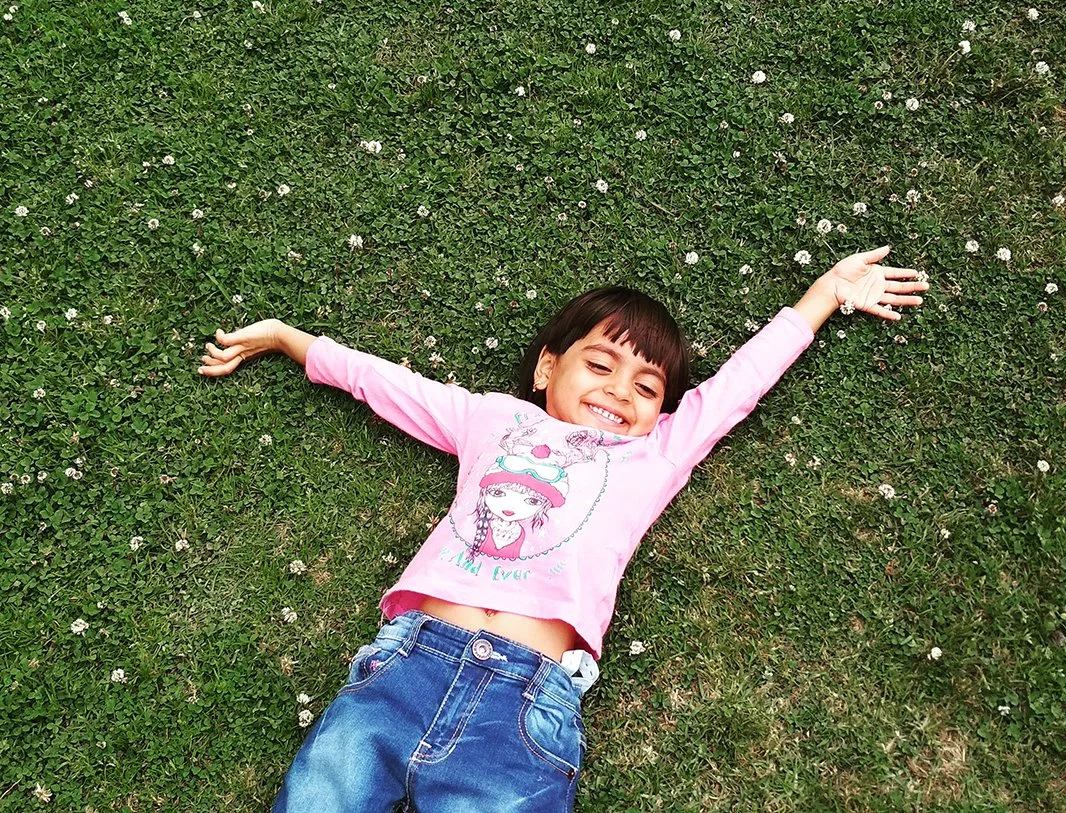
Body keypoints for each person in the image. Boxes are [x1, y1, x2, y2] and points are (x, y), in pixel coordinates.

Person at [198, 245, 927, 812]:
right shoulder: (494, 418)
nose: (620, 389)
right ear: (548, 367)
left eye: (647, 386)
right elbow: (391, 384)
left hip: (524, 707)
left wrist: (825, 293)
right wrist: (291, 340)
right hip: (404, 669)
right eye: (601, 363)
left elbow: (739, 384)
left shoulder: (656, 453)